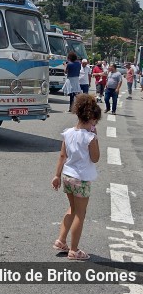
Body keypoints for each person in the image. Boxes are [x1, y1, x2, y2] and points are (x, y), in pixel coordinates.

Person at [51, 93, 101, 261]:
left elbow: (62, 156)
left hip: (67, 176)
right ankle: (74, 250)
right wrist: (96, 137)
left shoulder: (68, 133)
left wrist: (56, 176)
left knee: (72, 208)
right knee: (80, 213)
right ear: (92, 118)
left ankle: (61, 240)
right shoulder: (90, 137)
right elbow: (95, 158)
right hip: (82, 179)